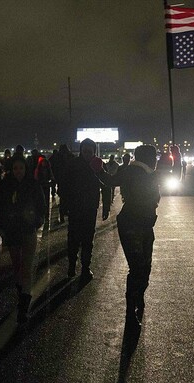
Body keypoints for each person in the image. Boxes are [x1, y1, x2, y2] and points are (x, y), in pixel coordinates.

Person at [93, 145, 160, 329]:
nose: (156, 160)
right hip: (132, 225)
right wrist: (98, 169)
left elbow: (109, 180)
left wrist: (100, 171)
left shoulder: (151, 174)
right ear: (147, 158)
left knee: (144, 268)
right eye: (154, 156)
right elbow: (111, 181)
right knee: (138, 268)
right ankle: (131, 312)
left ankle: (138, 299)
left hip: (145, 226)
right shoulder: (133, 172)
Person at [0, 155, 46, 323]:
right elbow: (0, 207)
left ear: (26, 169)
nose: (18, 171)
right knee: (17, 266)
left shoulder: (33, 184)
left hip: (28, 230)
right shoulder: (5, 186)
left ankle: (23, 307)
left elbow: (41, 205)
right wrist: (2, 226)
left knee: (27, 268)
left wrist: (38, 221)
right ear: (11, 169)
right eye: (16, 168)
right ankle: (21, 292)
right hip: (12, 232)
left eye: (21, 168)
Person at [60, 138, 111, 281]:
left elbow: (106, 185)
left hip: (90, 208)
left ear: (94, 151)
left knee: (88, 239)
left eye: (90, 151)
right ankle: (72, 266)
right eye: (85, 150)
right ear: (81, 150)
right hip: (76, 208)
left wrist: (106, 207)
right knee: (73, 239)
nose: (87, 153)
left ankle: (85, 267)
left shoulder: (99, 165)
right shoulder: (73, 165)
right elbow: (64, 186)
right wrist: (65, 205)